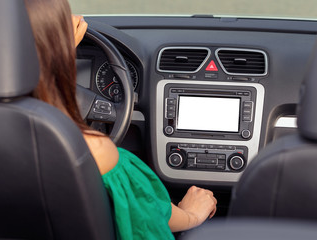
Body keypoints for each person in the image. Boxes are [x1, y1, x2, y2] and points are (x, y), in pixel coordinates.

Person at [24, 0, 217, 239]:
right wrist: (191, 216)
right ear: (50, 45)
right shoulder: (93, 150)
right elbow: (146, 222)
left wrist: (53, 48)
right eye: (63, 16)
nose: (78, 17)